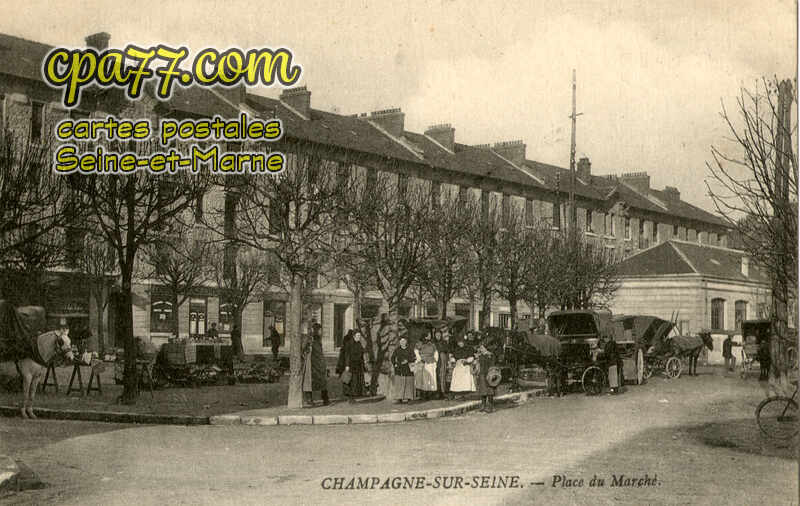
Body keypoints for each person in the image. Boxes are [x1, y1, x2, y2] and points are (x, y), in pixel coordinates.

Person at [302, 323, 329, 406]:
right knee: (309, 381)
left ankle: (325, 398)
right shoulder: (310, 338)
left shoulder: (318, 339)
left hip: (319, 362)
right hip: (311, 362)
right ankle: (309, 399)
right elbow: (303, 348)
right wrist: (306, 353)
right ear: (316, 330)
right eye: (320, 330)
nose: (321, 332)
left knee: (322, 381)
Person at [343, 330, 367, 401]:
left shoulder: (359, 344)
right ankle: (351, 395)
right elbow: (347, 355)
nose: (359, 337)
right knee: (351, 379)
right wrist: (347, 365)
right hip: (351, 364)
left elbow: (362, 353)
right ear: (354, 336)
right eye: (358, 336)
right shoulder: (349, 344)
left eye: (360, 336)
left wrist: (364, 361)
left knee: (358, 379)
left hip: (359, 364)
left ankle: (357, 393)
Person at [414, 332, 438, 400]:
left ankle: (430, 393)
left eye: (430, 335)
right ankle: (423, 394)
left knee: (431, 378)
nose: (430, 336)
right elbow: (416, 351)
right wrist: (419, 358)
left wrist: (435, 361)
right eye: (429, 335)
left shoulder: (432, 344)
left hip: (431, 362)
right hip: (423, 362)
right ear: (425, 336)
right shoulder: (420, 343)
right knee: (423, 378)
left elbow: (436, 352)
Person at [391, 337, 415, 403]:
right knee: (400, 383)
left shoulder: (410, 349)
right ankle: (399, 397)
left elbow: (413, 357)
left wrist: (407, 360)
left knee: (408, 383)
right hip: (400, 368)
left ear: (406, 342)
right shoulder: (397, 350)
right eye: (401, 341)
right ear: (399, 342)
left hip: (408, 368)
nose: (402, 342)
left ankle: (409, 397)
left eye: (404, 341)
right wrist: (395, 364)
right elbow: (392, 358)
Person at [474, 343, 495, 412]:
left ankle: (490, 405)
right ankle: (483, 404)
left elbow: (492, 365)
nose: (481, 349)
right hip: (482, 374)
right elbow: (478, 365)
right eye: (480, 348)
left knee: (489, 390)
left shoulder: (490, 355)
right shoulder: (480, 356)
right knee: (483, 390)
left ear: (486, 348)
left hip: (489, 374)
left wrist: (492, 373)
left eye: (482, 348)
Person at [433, 329, 451, 399]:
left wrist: (447, 360)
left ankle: (442, 392)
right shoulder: (433, 342)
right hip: (435, 361)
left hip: (442, 360)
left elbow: (447, 351)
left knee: (442, 376)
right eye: (437, 335)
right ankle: (436, 392)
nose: (438, 336)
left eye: (439, 335)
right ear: (434, 335)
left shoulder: (444, 342)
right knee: (435, 375)